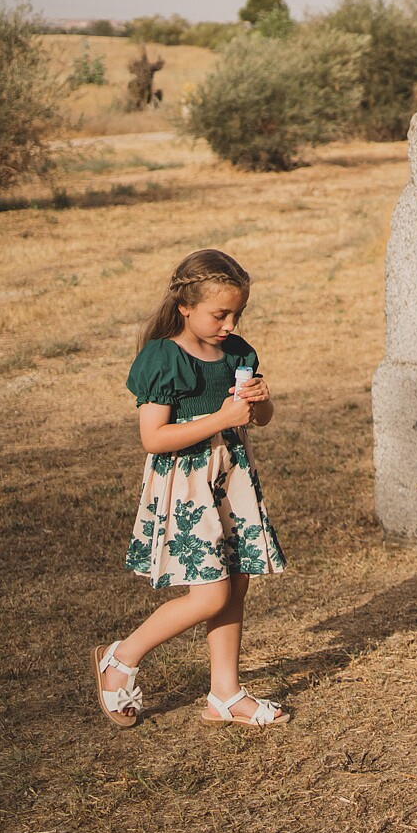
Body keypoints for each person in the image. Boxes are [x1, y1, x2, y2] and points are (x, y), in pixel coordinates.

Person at [93, 249, 288, 729]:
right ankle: (120, 658)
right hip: (187, 486)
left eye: (237, 313)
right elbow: (154, 437)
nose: (229, 324)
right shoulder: (163, 358)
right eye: (219, 314)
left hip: (230, 480)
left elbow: (258, 420)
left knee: (236, 582)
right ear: (185, 306)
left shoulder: (237, 353)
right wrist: (221, 418)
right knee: (209, 595)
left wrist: (261, 402)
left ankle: (225, 694)